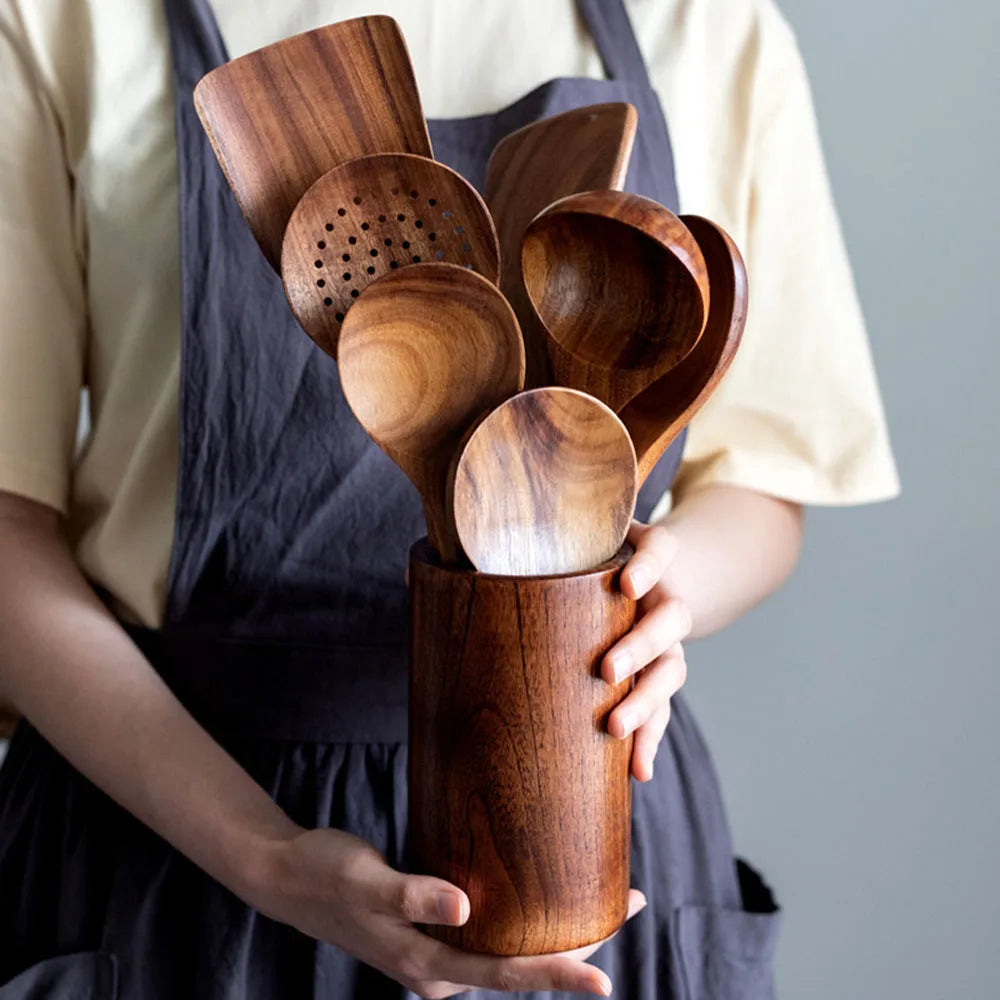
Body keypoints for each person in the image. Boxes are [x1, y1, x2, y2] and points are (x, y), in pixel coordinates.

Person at [0, 0, 898, 997]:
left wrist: (658, 582)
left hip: (584, 813)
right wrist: (262, 854)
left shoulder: (710, 25)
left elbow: (761, 485)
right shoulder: (61, 19)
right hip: (173, 839)